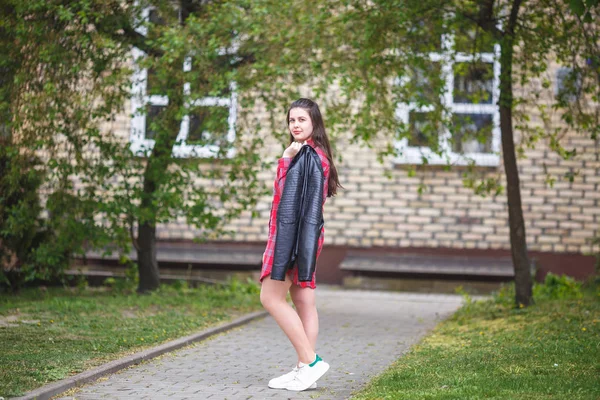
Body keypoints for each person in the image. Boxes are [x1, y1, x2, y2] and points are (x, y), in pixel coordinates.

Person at [259, 98, 341, 392]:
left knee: (270, 298)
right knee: (304, 301)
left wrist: (285, 159)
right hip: (303, 239)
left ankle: (310, 362)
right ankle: (302, 370)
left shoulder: (306, 156)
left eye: (301, 120)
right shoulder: (315, 154)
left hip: (292, 239)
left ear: (314, 123)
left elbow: (290, 205)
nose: (295, 125)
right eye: (292, 120)